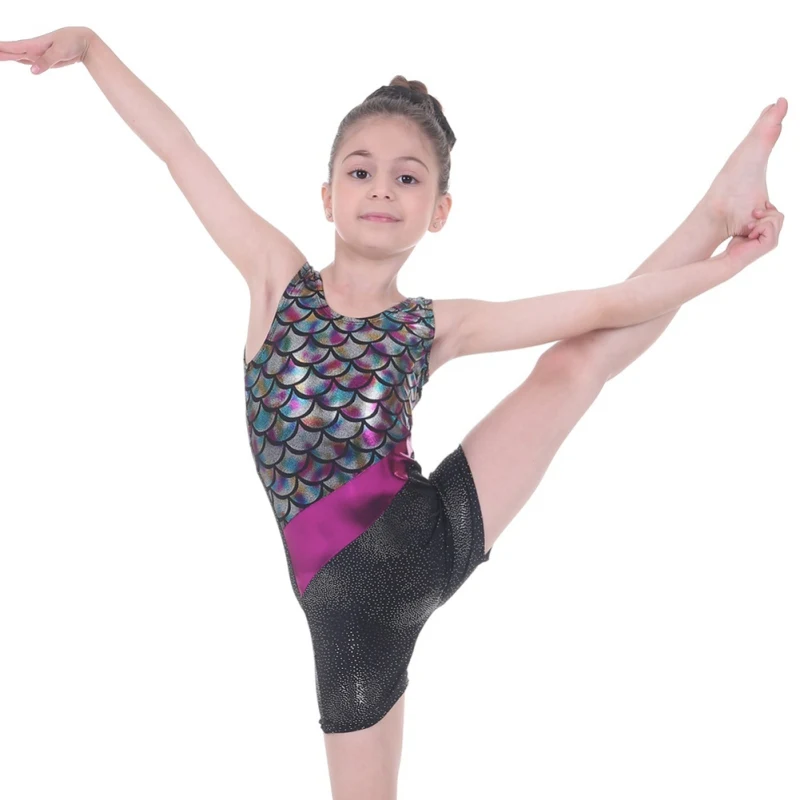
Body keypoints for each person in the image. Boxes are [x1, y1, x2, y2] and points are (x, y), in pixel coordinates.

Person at [2, 25, 786, 800]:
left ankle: (715, 211)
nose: (382, 189)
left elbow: (605, 304)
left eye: (407, 179)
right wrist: (92, 50)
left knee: (577, 361)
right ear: (327, 196)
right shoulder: (277, 281)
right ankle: (716, 214)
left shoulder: (434, 324)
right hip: (344, 614)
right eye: (361, 171)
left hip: (425, 535)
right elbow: (180, 151)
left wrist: (730, 263)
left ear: (438, 211)